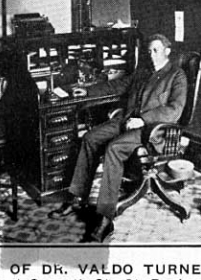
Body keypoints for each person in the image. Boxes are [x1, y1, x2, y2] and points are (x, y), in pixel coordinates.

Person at [49, 33, 188, 242]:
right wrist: (85, 91)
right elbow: (116, 86)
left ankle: (105, 218)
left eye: (156, 50)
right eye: (149, 51)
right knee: (90, 137)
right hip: (126, 121)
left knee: (113, 148)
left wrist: (143, 120)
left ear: (167, 51)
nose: (152, 55)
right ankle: (76, 197)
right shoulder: (143, 73)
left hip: (152, 130)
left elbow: (174, 110)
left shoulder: (177, 75)